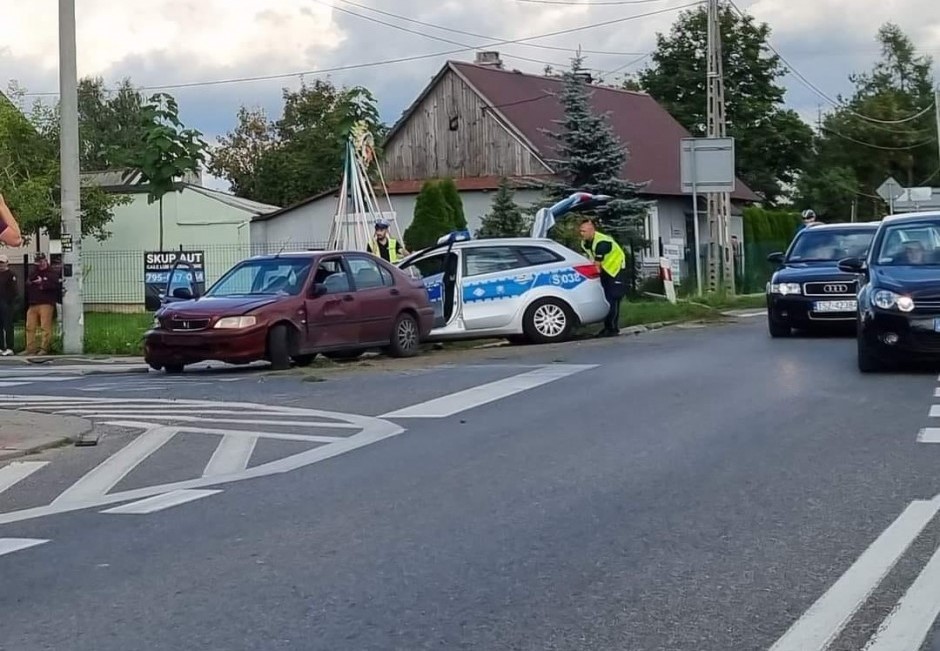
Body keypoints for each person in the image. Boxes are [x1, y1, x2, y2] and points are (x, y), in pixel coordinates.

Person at [579, 218, 627, 337]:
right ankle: (610, 327)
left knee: (613, 299)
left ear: (592, 230)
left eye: (584, 231)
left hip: (616, 270)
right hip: (605, 271)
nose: (581, 234)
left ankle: (612, 328)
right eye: (580, 231)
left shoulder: (602, 242)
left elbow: (597, 263)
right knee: (607, 299)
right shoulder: (585, 243)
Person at [25, 253, 61, 356]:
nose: (40, 264)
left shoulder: (52, 273)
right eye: (38, 262)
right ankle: (30, 348)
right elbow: (28, 282)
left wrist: (42, 283)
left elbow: (55, 286)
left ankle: (44, 348)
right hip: (33, 302)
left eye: (41, 261)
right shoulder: (34, 272)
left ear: (45, 261)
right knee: (29, 326)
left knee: (45, 327)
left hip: (46, 303)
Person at [0, 254, 17, 355]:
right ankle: (1, 347)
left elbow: (14, 291)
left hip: (7, 302)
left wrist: (9, 302)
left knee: (8, 325)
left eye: (2, 263)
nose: (1, 265)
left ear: (7, 263)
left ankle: (10, 347)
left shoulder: (11, 274)